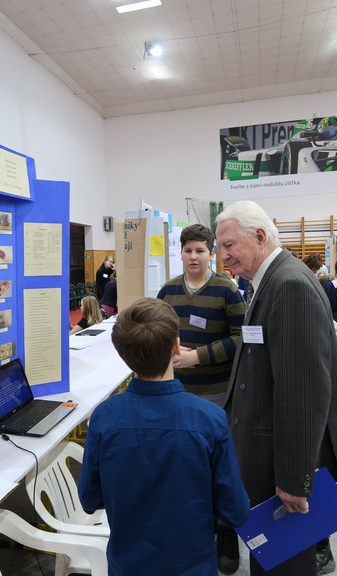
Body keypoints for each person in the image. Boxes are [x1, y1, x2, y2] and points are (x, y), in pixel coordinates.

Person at [78, 297, 250, 576]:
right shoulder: (210, 420)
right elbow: (236, 511)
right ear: (176, 346)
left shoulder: (104, 418)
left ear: (122, 353)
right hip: (193, 566)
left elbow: (89, 499)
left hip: (128, 565)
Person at [215, 200, 337, 576]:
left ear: (261, 237)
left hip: (281, 472)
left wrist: (293, 480)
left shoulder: (289, 285)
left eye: (229, 245)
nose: (224, 258)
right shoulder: (270, 280)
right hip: (267, 459)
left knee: (286, 567)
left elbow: (303, 395)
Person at [157, 223, 246, 574]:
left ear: (211, 253)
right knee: (189, 467)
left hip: (218, 397)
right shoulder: (166, 292)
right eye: (187, 250)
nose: (193, 257)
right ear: (180, 252)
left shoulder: (227, 291)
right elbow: (160, 334)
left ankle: (226, 531)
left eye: (200, 250)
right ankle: (199, 529)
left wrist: (198, 357)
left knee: (221, 467)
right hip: (179, 396)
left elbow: (244, 340)